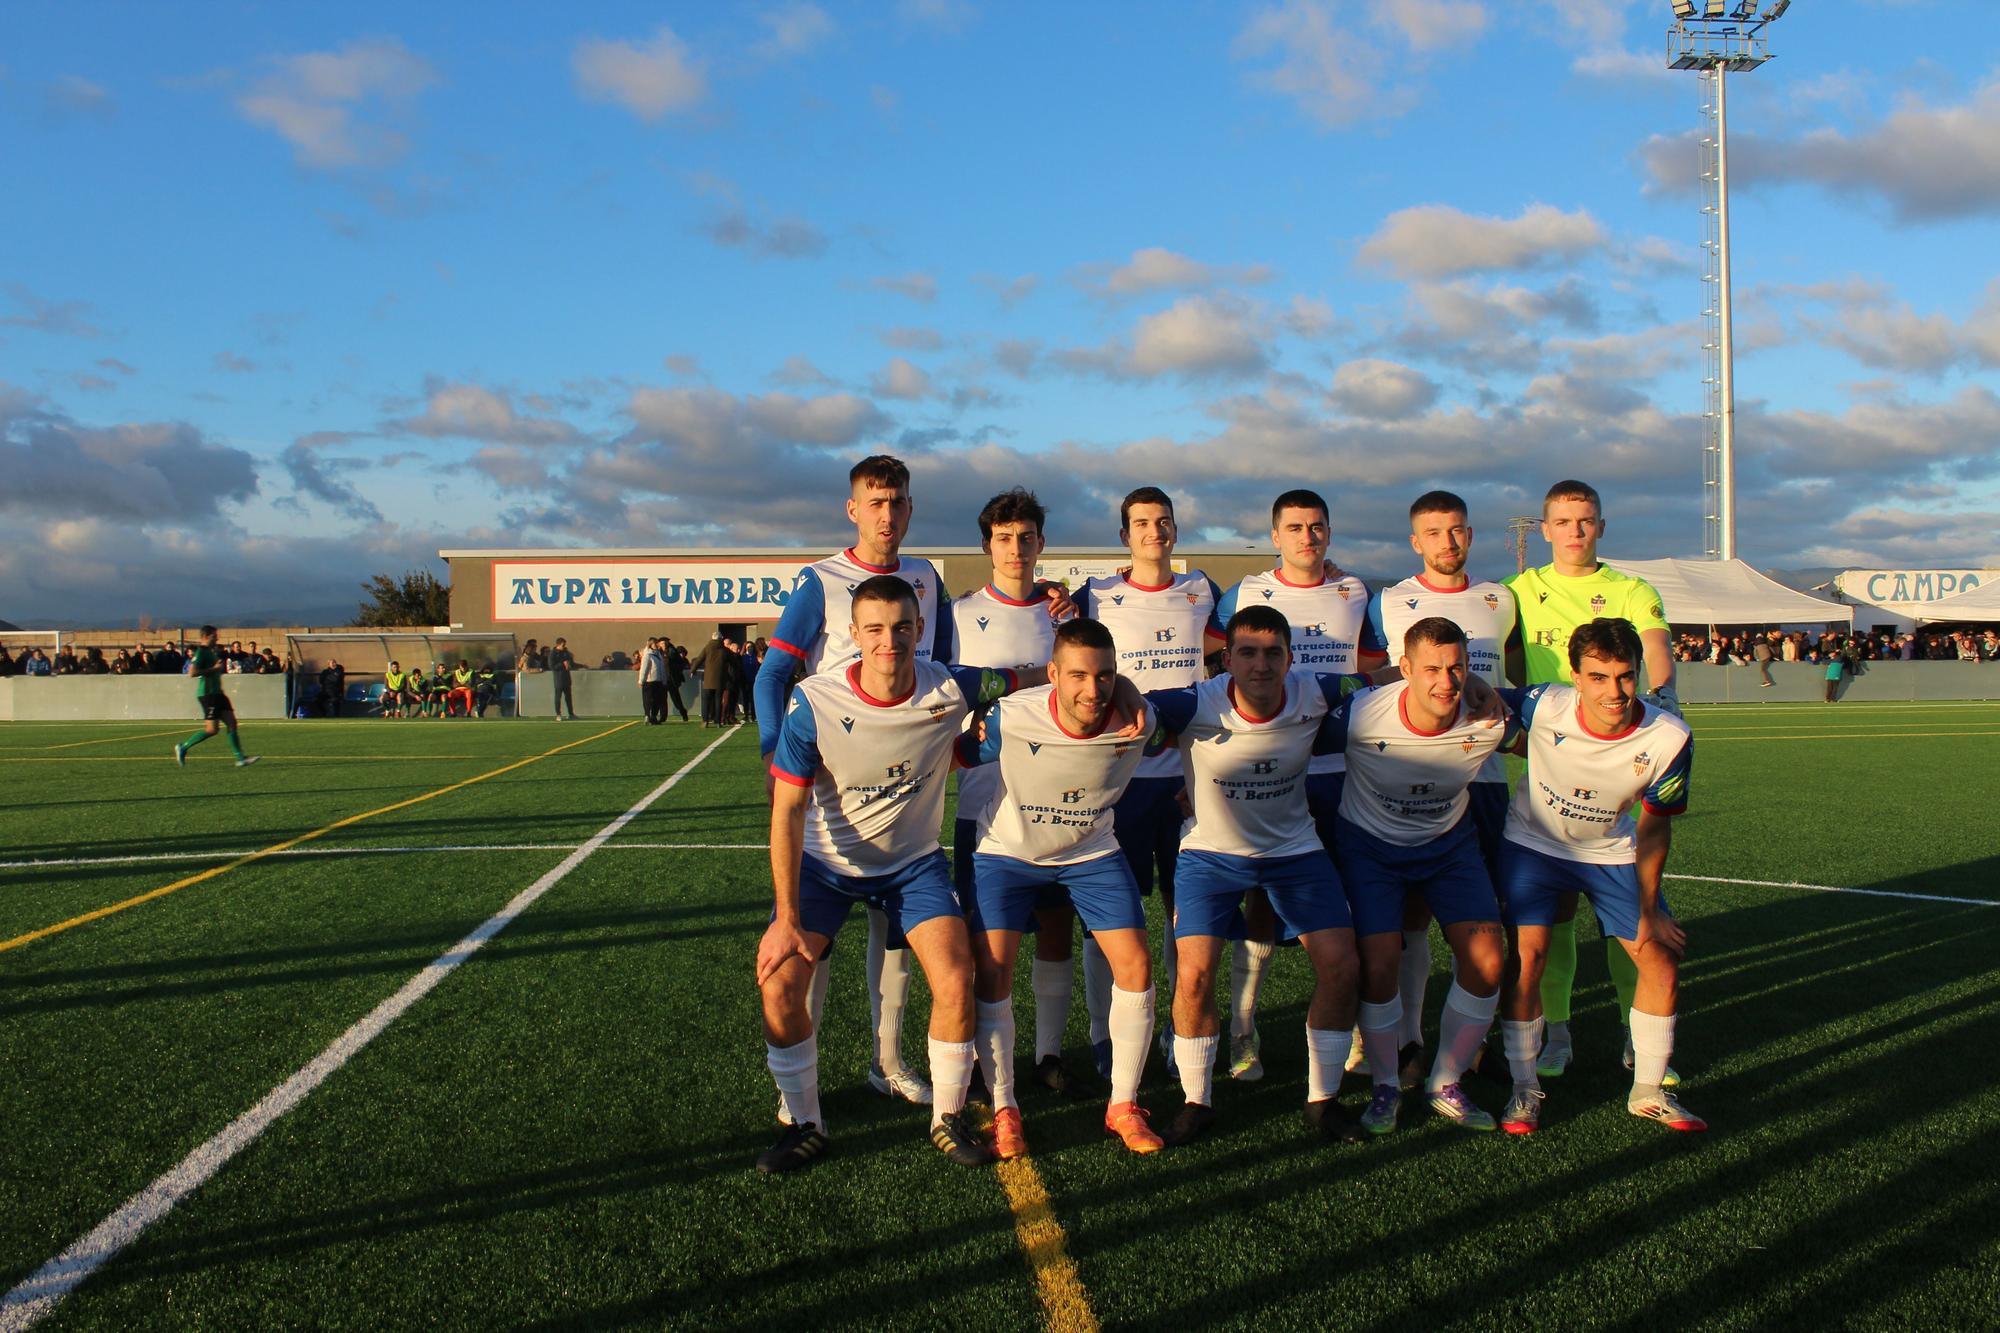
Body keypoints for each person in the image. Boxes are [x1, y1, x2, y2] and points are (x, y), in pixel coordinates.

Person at [756, 574, 1020, 1173]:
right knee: (778, 983)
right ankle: (805, 1123)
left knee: (957, 977)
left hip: (911, 866)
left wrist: (1125, 694)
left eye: (902, 627)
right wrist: (786, 919)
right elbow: (787, 810)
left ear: (920, 629)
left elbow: (1027, 681)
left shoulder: (952, 686)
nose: (889, 641)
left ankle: (947, 1117)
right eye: (874, 629)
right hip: (824, 868)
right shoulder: (814, 704)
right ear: (853, 635)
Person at [755, 455, 956, 1110]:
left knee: (897, 930)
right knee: (815, 936)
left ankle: (888, 1060)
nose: (887, 514)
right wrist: (771, 757)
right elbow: (771, 674)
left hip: (908, 781)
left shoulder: (927, 578)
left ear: (910, 507)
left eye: (897, 501)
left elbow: (949, 670)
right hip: (836, 781)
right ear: (853, 509)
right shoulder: (822, 579)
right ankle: (801, 1090)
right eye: (875, 502)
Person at [1141, 603, 1371, 1148]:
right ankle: (1197, 1100)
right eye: (1248, 652)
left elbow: (1380, 679)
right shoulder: (1196, 701)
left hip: (1295, 851)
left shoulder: (1316, 691)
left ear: (1290, 657)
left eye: (1273, 653)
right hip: (1210, 854)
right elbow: (1133, 705)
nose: (1261, 665)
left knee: (1341, 965)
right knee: (1194, 973)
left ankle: (1323, 1101)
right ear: (1227, 659)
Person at [958, 616, 1164, 1155]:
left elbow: (1198, 724)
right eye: (1076, 675)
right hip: (1008, 853)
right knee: (994, 971)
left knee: (1137, 967)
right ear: (1052, 674)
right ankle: (1004, 1104)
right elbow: (952, 753)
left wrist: (1132, 690)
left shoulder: (1138, 720)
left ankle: (1123, 1103)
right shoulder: (1010, 718)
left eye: (1104, 676)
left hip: (1090, 852)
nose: (1091, 689)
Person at [1494, 618, 1704, 1135]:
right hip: (1533, 846)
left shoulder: (1669, 738)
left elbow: (1655, 834)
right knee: (1527, 960)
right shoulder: (1543, 702)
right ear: (1576, 675)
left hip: (1612, 852)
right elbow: (1479, 697)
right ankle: (1523, 1091)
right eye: (1598, 677)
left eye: (1625, 677)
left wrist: (1651, 910)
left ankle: (1648, 1092)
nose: (1614, 692)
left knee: (1658, 959)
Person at [1504, 479, 1677, 1080]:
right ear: (1545, 529)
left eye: (1586, 520)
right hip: (1547, 761)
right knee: (1550, 918)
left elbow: (1655, 651)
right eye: (1564, 521)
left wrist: (1657, 704)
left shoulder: (1631, 590)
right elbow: (1503, 660)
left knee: (1630, 919)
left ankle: (1635, 1031)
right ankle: (1558, 1031)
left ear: (1601, 526)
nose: (1575, 531)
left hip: (1617, 765)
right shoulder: (1518, 592)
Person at [1213, 489, 1385, 1082]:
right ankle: (1243, 1033)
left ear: (1329, 533)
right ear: (1276, 535)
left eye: (1316, 527)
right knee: (1258, 905)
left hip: (1342, 775)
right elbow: (1216, 661)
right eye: (1295, 528)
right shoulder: (1245, 594)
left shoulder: (1356, 592)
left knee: (1350, 909)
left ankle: (1358, 1033)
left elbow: (1377, 667)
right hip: (1270, 772)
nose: (1306, 538)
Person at [1327, 617, 1512, 1134]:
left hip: (1448, 848)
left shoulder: (1491, 717)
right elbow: (1288, 727)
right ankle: (1386, 1084)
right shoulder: (1362, 715)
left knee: (1487, 960)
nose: (1446, 682)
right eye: (1431, 668)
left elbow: (1563, 719)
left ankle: (1446, 1081)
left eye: (1457, 668)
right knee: (1380, 962)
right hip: (1371, 848)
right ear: (1403, 669)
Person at [1363, 490, 1517, 1083]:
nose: (1446, 542)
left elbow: (1516, 683)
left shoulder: (1500, 599)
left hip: (1489, 779)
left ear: (1470, 535)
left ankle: (1484, 1040)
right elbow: (1373, 677)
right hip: (1415, 773)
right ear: (1415, 542)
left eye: (1456, 531)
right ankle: (1407, 1039)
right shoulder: (1389, 601)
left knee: (1490, 918)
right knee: (1410, 916)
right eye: (1433, 532)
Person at [949, 487, 1099, 1093]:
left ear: (1042, 543)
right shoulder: (956, 615)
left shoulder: (1068, 616)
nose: (1016, 548)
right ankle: (992, 1061)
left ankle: (1049, 1055)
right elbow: (949, 687)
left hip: (1062, 798)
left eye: (1027, 537)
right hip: (984, 800)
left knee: (1056, 930)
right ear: (987, 545)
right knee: (991, 941)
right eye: (1004, 538)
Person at [1073, 486, 1225, 1080]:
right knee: (1110, 914)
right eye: (1140, 524)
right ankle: (1101, 1036)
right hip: (1121, 780)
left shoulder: (1203, 591)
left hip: (1187, 779)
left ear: (1175, 530)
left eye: (1162, 522)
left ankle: (1172, 1028)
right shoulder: (1098, 593)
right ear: (1123, 536)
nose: (1153, 533)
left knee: (1182, 915)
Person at [174, 625, 259, 768]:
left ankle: (240, 758)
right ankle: (183, 747)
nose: (217, 638)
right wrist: (213, 669)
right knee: (212, 730)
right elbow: (192, 673)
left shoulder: (211, 652)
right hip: (208, 694)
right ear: (206, 637)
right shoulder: (201, 652)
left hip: (218, 693)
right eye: (214, 636)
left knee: (232, 723)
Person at [639, 637, 668, 724]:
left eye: (656, 643)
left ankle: (653, 717)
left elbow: (662, 668)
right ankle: (647, 715)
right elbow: (644, 669)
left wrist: (664, 680)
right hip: (649, 681)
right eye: (654, 643)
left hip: (658, 681)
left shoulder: (658, 654)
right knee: (648, 700)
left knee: (657, 700)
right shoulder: (647, 655)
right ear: (650, 645)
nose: (655, 645)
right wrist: (641, 680)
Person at [548, 638, 576, 719]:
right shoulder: (553, 654)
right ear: (558, 645)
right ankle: (558, 714)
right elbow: (552, 666)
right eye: (563, 645)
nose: (564, 647)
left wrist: (572, 665)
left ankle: (571, 714)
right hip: (558, 679)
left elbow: (570, 662)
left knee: (568, 697)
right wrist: (562, 664)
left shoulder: (566, 652)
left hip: (567, 678)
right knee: (558, 697)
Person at [664, 639, 690, 721]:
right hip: (664, 679)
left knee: (675, 699)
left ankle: (683, 711)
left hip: (671, 679)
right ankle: (662, 716)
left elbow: (677, 666)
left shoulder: (672, 653)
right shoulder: (661, 653)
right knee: (662, 699)